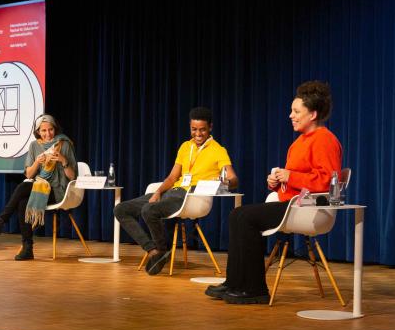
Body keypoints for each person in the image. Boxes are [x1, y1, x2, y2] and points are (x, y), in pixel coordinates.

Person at [206, 80, 342, 304]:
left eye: (296, 111)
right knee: (237, 214)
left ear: (313, 114)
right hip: (291, 203)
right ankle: (234, 282)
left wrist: (291, 177)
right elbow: (297, 180)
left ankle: (255, 289)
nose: (291, 115)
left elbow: (328, 181)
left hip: (307, 209)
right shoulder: (299, 142)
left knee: (247, 217)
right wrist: (277, 183)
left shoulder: (324, 140)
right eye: (291, 110)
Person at [113, 107, 237, 275]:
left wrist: (225, 182)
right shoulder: (185, 147)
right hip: (171, 191)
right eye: (194, 129)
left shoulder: (218, 150)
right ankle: (154, 251)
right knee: (121, 209)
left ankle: (161, 250)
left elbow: (233, 178)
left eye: (202, 130)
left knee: (149, 210)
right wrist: (157, 193)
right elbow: (172, 178)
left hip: (189, 196)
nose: (198, 134)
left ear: (210, 128)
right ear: (190, 127)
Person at [0, 114, 77, 261]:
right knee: (23, 202)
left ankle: (0, 222)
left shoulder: (64, 144)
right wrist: (37, 162)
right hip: (39, 186)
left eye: (50, 129)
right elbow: (29, 174)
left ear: (55, 129)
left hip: (58, 190)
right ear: (38, 131)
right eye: (43, 131)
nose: (48, 134)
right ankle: (27, 248)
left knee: (22, 189)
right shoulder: (34, 146)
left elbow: (73, 177)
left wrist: (63, 160)